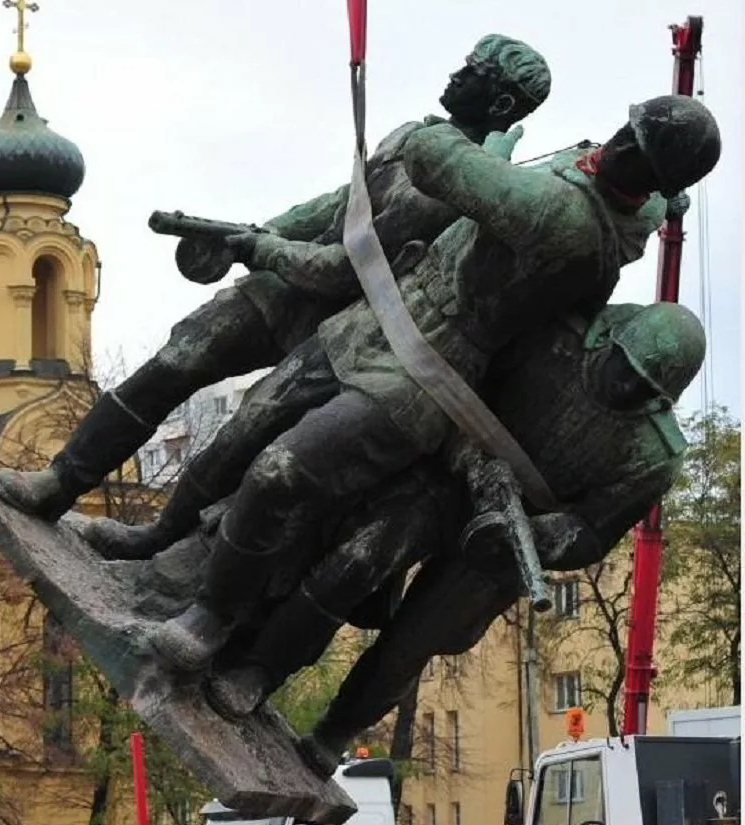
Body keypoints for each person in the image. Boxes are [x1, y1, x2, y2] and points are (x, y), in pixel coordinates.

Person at [146, 95, 721, 674]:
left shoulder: (563, 215)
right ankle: (157, 543)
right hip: (374, 318)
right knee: (246, 427)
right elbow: (649, 205)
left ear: (648, 183)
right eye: (626, 132)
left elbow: (429, 156)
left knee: (280, 471)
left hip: (426, 369)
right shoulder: (630, 203)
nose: (617, 147)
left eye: (638, 156)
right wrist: (665, 197)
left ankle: (210, 617)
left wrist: (488, 150)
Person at [0, 35, 552, 530]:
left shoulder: (455, 187)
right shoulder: (412, 135)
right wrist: (252, 234)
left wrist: (260, 247)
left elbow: (344, 266)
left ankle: (162, 546)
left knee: (247, 434)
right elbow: (339, 203)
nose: (455, 74)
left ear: (500, 102)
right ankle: (60, 483)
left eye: (472, 71)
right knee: (181, 357)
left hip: (343, 328)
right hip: (285, 285)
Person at [197, 299, 706, 734]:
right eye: (623, 368)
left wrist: (536, 535)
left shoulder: (656, 455)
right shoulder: (556, 335)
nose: (624, 388)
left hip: (506, 544)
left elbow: (594, 531)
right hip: (446, 479)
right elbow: (463, 379)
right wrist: (472, 459)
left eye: (642, 389)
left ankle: (334, 733)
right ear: (609, 339)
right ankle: (261, 669)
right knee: (355, 560)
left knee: (413, 643)